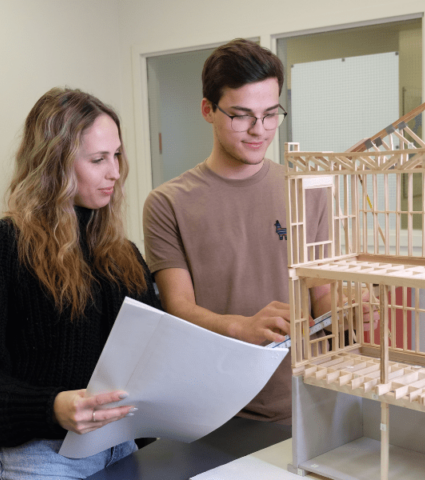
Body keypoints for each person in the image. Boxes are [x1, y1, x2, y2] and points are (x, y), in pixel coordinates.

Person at [143, 39, 376, 424]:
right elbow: (179, 309)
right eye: (241, 116)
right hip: (219, 411)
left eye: (270, 115)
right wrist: (242, 326)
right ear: (208, 110)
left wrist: (350, 311)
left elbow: (320, 295)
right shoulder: (168, 203)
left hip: (308, 399)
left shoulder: (307, 190)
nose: (260, 130)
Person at [0, 87, 160, 479]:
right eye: (98, 159)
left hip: (116, 444)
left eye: (117, 155)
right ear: (54, 164)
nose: (114, 172)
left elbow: (152, 347)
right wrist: (51, 407)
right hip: (33, 456)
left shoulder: (122, 253)